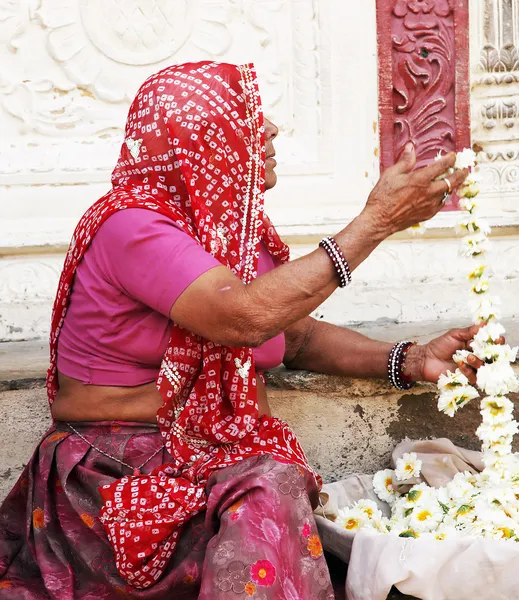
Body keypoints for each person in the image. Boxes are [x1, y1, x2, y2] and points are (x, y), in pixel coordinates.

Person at [0, 61, 476, 599]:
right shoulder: (131, 224)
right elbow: (245, 318)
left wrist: (410, 360)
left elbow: (293, 337)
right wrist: (374, 225)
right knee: (267, 485)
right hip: (116, 474)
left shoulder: (226, 233)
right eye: (248, 112)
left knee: (271, 481)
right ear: (199, 138)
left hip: (209, 461)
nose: (270, 128)